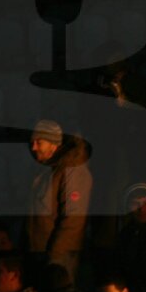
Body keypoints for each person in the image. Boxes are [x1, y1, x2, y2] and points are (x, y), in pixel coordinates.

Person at [26, 119, 92, 281]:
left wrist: (55, 257)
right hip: (39, 253)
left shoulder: (72, 171)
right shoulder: (45, 170)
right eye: (32, 142)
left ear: (53, 144)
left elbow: (73, 220)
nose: (33, 147)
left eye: (39, 142)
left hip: (58, 259)